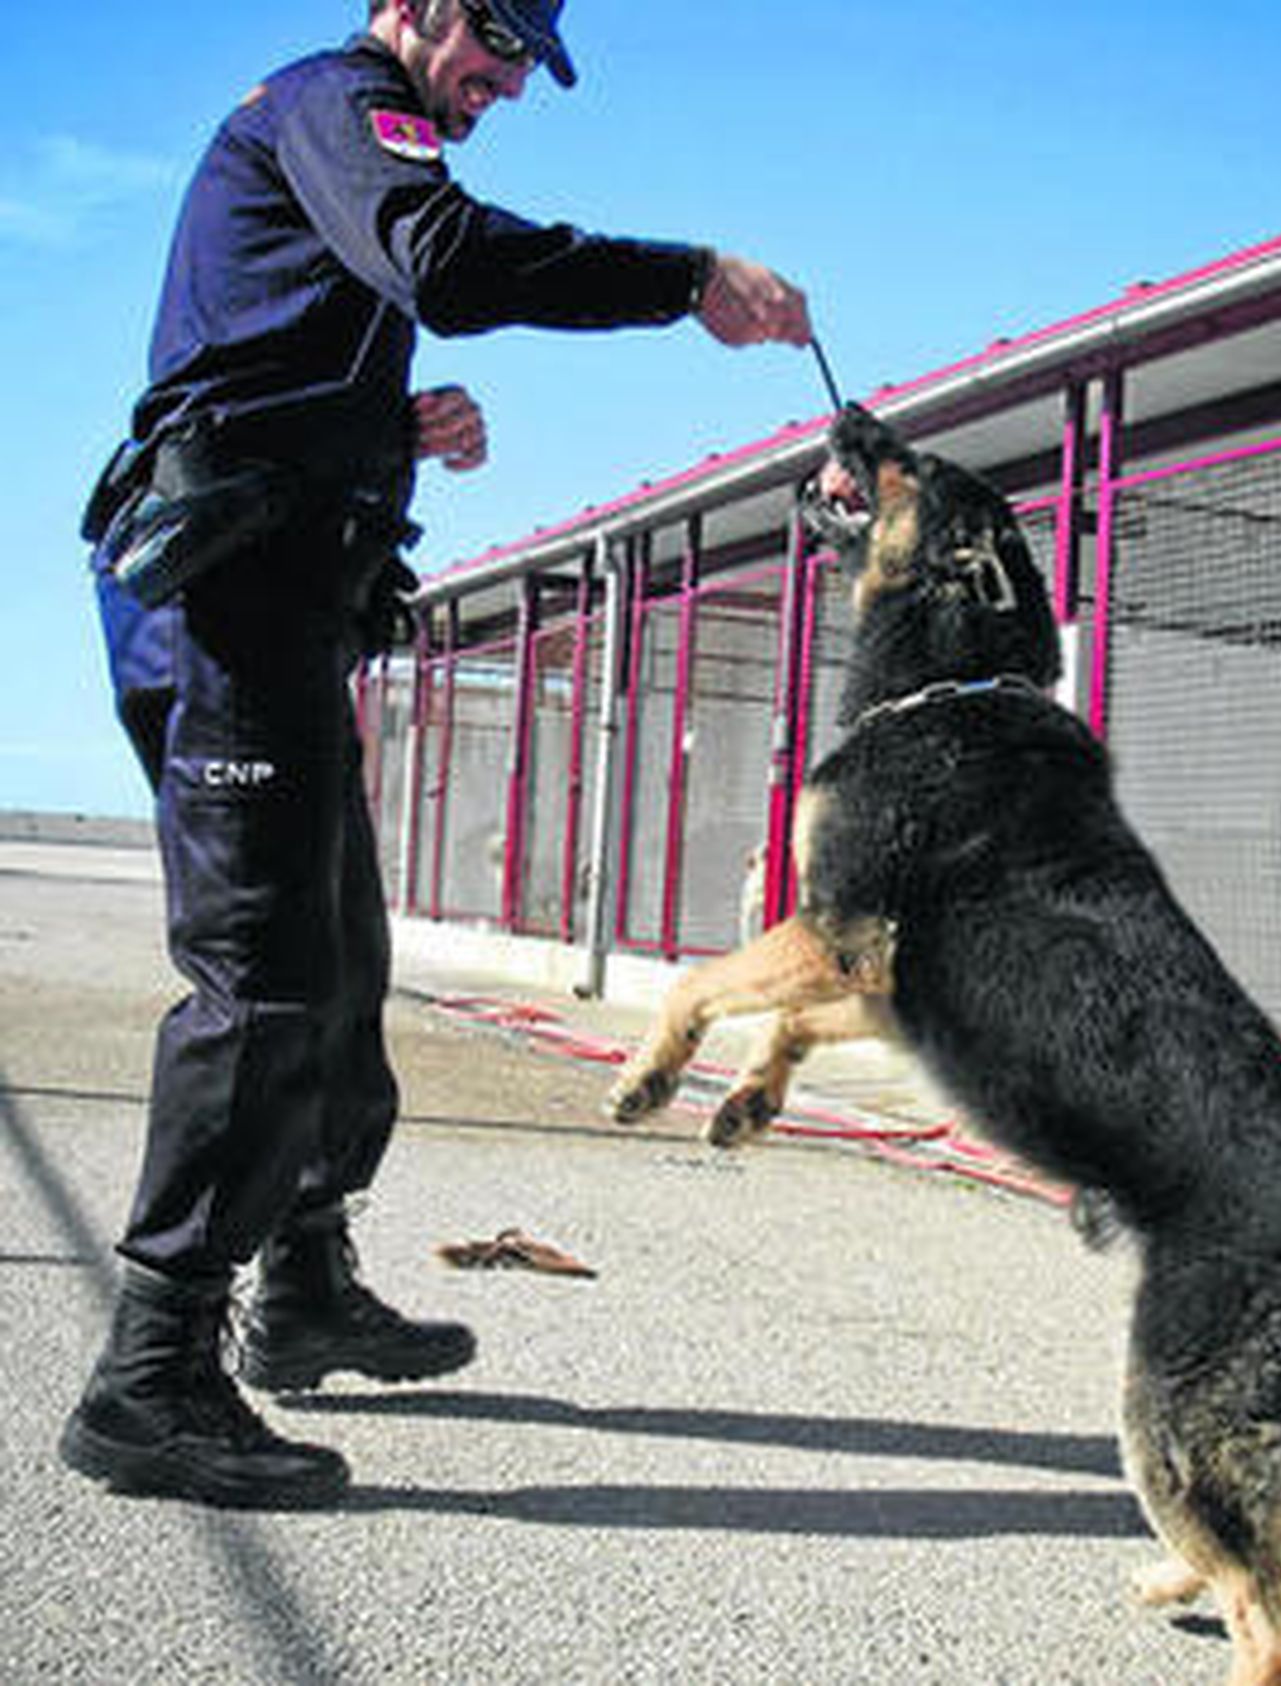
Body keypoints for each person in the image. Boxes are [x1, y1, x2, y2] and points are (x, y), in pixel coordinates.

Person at [62, 0, 812, 1510]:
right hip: (224, 611)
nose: (506, 80)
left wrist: (391, 429)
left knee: (338, 962)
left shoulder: (343, 144)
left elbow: (272, 363)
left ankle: (304, 1284)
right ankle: (149, 1377)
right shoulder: (338, 106)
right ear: (406, 5)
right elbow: (448, 262)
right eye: (493, 39)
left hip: (288, 613)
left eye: (529, 61)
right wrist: (686, 282)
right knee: (261, 980)